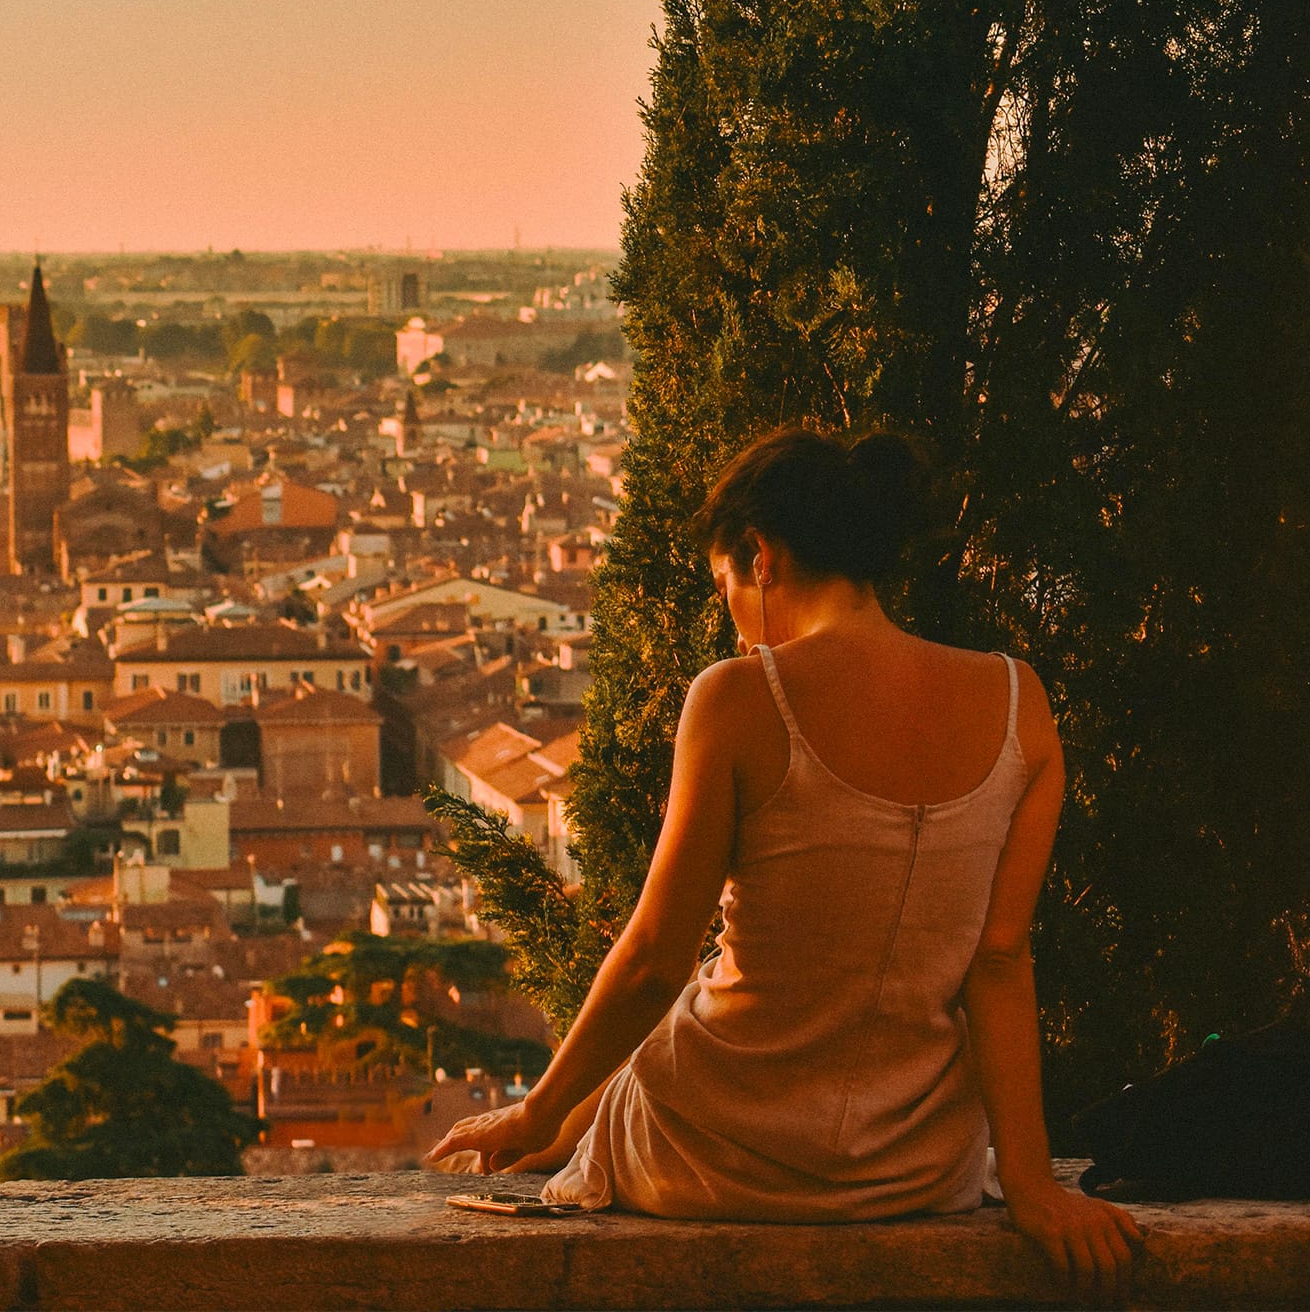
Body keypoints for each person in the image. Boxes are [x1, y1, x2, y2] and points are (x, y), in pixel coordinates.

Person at [428, 426, 1142, 1300]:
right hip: (909, 1168)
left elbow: (653, 957)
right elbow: (997, 962)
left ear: (758, 556)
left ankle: (553, 1129)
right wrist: (1031, 1188)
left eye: (723, 583)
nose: (730, 614)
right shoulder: (1017, 700)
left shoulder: (736, 697)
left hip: (712, 1161)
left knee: (625, 1070)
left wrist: (535, 1108)